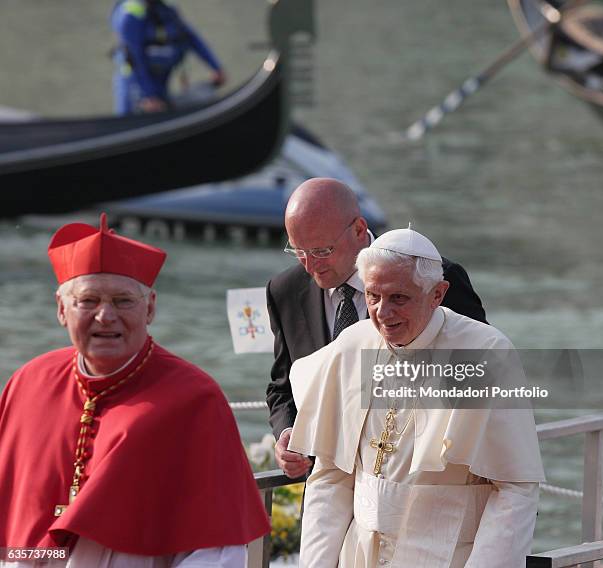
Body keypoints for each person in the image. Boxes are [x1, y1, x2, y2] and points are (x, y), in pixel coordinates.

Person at [0, 214, 268, 567]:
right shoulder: (28, 382)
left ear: (151, 307)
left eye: (123, 301)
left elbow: (216, 550)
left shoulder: (194, 398)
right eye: (88, 301)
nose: (105, 316)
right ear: (62, 310)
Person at [288, 227, 545, 567]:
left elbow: (515, 490)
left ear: (437, 293)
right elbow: (331, 476)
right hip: (361, 554)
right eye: (372, 296)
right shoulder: (352, 345)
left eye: (399, 298)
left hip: (448, 555)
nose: (382, 312)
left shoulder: (484, 353)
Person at [265, 177, 488, 478]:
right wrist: (289, 431)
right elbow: (282, 386)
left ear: (359, 230)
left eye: (321, 251)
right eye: (298, 251)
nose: (309, 265)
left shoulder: (432, 276)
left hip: (419, 480)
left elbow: (482, 374)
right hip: (329, 483)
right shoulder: (285, 291)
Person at [111, 0, 226, 114]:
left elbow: (190, 37)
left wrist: (216, 67)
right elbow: (135, 58)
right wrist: (149, 95)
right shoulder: (130, 13)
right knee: (134, 124)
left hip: (160, 82)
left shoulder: (165, 9)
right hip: (136, 84)